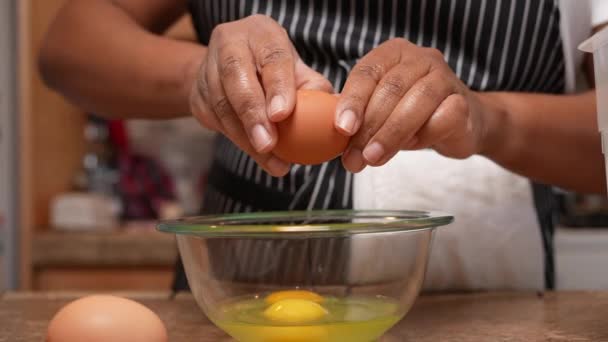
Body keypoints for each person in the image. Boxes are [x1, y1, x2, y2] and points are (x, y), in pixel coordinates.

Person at [39, 0, 607, 291]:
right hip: (243, 297)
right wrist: (205, 79)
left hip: (493, 285)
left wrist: (489, 118)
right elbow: (69, 46)